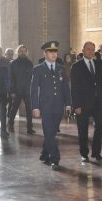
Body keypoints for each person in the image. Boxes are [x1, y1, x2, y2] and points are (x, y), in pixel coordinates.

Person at [31, 41, 71, 170]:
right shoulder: (38, 69)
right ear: (45, 53)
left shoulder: (61, 68)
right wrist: (35, 107)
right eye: (50, 52)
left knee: (51, 133)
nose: (54, 54)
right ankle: (55, 158)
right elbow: (33, 90)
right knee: (49, 132)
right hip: (46, 107)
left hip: (58, 107)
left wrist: (68, 104)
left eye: (55, 52)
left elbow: (66, 88)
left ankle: (44, 153)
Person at [70, 41, 102, 163]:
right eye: (88, 49)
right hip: (83, 103)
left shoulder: (100, 64)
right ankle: (84, 154)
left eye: (92, 49)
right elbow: (74, 87)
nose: (90, 51)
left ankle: (96, 153)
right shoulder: (76, 66)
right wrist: (76, 105)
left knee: (100, 126)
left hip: (97, 102)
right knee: (83, 129)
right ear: (83, 50)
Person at [8, 45, 35, 135]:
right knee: (14, 108)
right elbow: (11, 78)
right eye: (21, 51)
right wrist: (12, 91)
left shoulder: (30, 63)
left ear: (27, 52)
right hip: (17, 90)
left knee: (29, 109)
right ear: (18, 52)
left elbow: (32, 77)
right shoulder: (13, 63)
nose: (23, 52)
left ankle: (30, 128)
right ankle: (10, 124)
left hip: (27, 90)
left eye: (24, 51)